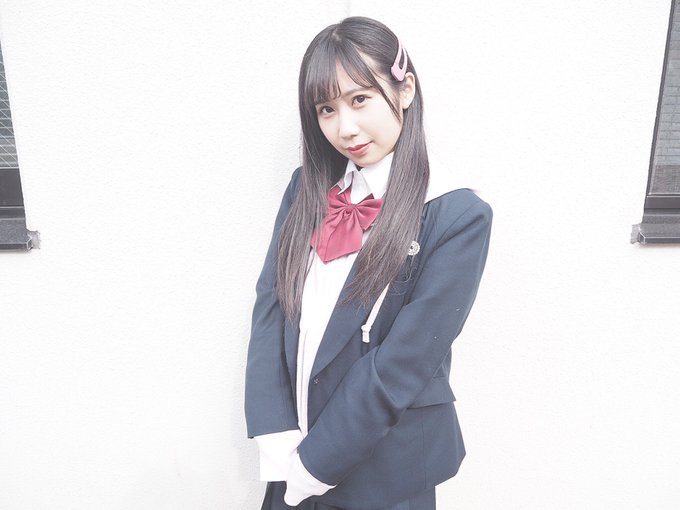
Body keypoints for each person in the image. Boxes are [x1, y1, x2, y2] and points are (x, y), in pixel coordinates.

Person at [245, 16, 492, 510]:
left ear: (405, 90)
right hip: (288, 455)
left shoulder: (457, 215)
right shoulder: (307, 188)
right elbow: (272, 304)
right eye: (326, 109)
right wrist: (273, 431)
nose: (345, 128)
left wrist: (315, 464)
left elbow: (404, 362)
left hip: (385, 470)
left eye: (360, 99)